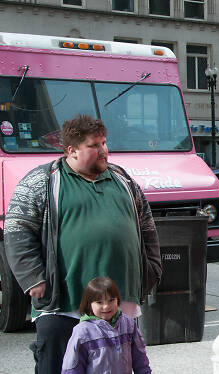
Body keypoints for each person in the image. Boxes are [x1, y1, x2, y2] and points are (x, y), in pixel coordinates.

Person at [3, 114, 162, 374]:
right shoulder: (42, 180)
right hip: (63, 303)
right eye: (94, 145)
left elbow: (147, 226)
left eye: (104, 143)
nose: (103, 151)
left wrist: (152, 269)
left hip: (118, 302)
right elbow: (16, 228)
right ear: (72, 150)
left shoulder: (122, 178)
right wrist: (32, 277)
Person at [61, 276, 151, 374]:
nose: (106, 306)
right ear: (89, 304)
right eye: (99, 302)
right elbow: (72, 367)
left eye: (111, 300)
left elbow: (140, 360)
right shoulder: (82, 332)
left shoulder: (129, 325)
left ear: (118, 300)